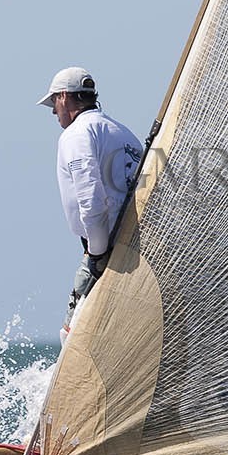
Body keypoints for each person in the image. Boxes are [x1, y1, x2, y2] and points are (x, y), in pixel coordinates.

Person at [38, 66, 144, 324]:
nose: (53, 110)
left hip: (105, 249)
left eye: (53, 101)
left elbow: (91, 199)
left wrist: (96, 255)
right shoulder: (125, 134)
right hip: (138, 245)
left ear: (64, 96)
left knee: (72, 332)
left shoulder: (75, 135)